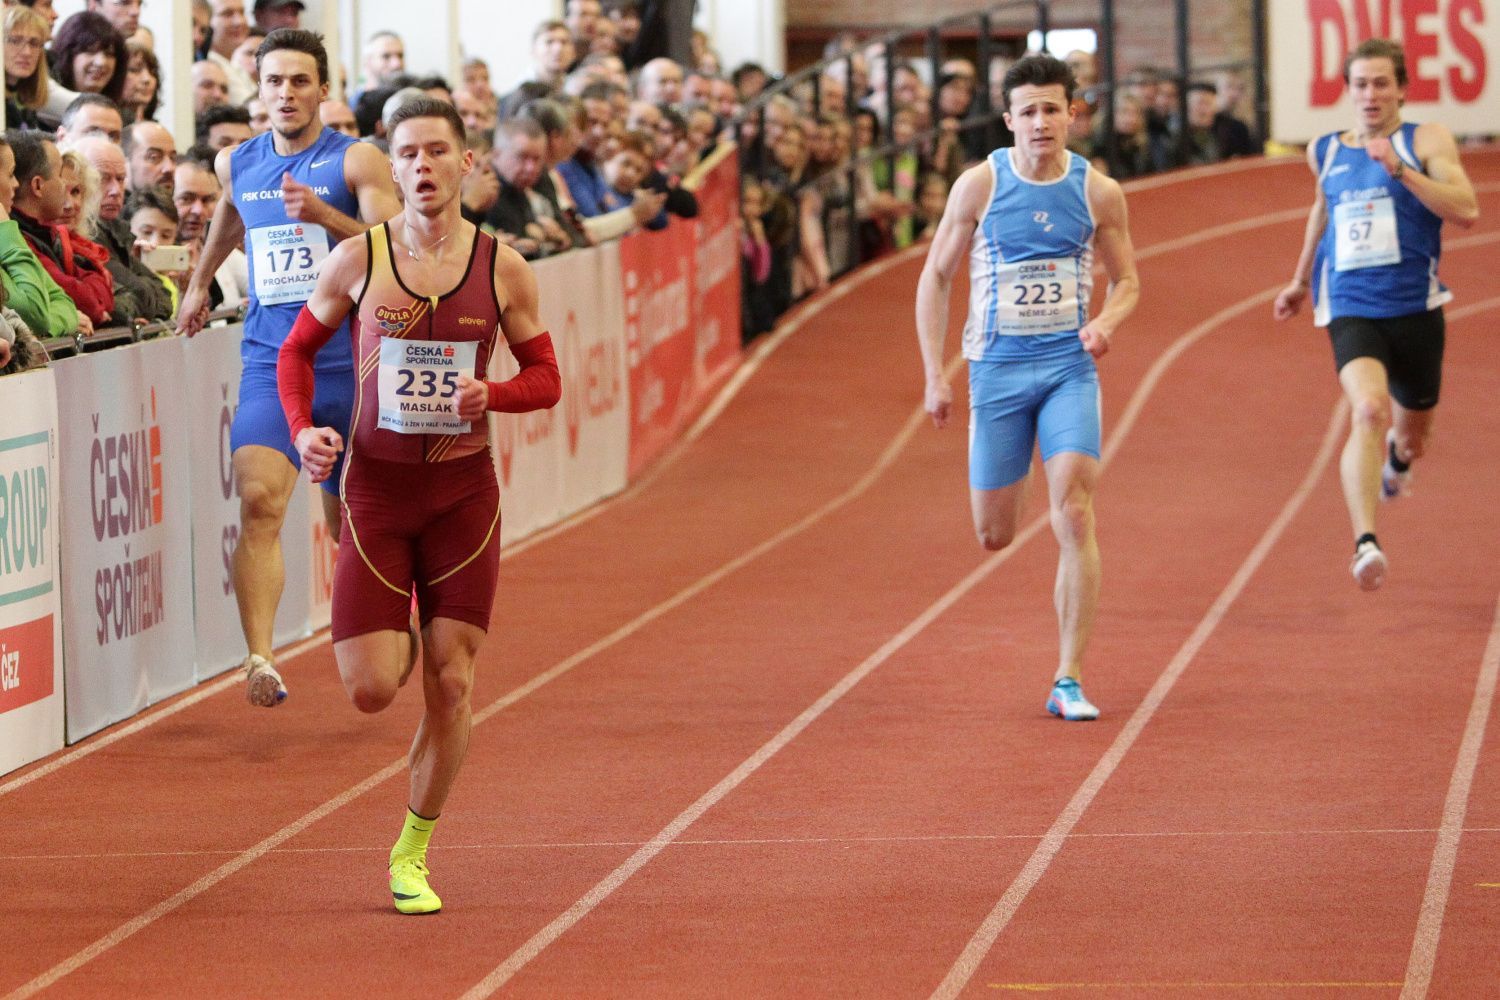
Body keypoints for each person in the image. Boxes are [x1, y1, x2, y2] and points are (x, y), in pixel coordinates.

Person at [275, 96, 560, 914]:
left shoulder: (503, 266)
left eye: (440, 150)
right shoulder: (357, 259)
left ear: (469, 163)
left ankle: (413, 850)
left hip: (463, 499)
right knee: (371, 689)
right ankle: (393, 615)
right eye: (409, 153)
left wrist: (490, 394)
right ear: (390, 168)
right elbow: (296, 354)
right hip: (376, 494)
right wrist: (304, 433)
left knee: (454, 682)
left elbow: (547, 381)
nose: (425, 166)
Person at [175, 27, 401, 707]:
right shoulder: (236, 163)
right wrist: (197, 283)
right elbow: (229, 220)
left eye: (301, 81)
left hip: (354, 363)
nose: (287, 93)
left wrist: (325, 213)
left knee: (350, 522)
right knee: (258, 499)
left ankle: (383, 625)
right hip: (273, 360)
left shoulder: (356, 159)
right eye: (274, 81)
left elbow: (395, 248)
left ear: (323, 89)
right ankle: (260, 659)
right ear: (259, 89)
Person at [914, 53, 1140, 721]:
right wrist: (935, 374)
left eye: (1053, 109)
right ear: (1009, 119)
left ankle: (1068, 675)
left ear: (1073, 113)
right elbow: (936, 278)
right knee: (993, 535)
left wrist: (1105, 321)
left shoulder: (1099, 191)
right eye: (1029, 111)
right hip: (997, 374)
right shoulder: (978, 187)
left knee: (1073, 508)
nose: (1042, 122)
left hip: (1068, 368)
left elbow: (1128, 278)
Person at [1273, 37, 1478, 591]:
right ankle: (1366, 541)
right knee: (1367, 409)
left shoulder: (1425, 140)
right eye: (1360, 83)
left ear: (1402, 90)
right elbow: (1323, 208)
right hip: (1351, 305)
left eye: (1381, 83)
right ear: (1348, 90)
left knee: (1413, 438)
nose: (1370, 94)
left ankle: (1399, 462)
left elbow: (1466, 210)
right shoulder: (1327, 150)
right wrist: (1299, 280)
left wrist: (1401, 172)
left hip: (1416, 309)